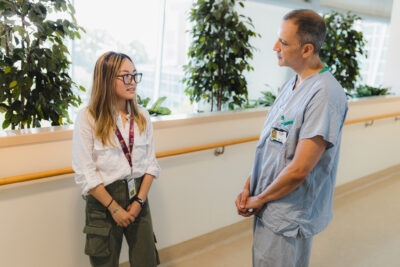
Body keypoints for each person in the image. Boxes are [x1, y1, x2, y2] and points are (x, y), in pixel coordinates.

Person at [235, 9, 348, 267]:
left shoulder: (326, 94)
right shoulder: (292, 84)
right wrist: (248, 187)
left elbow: (299, 169)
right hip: (268, 202)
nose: (275, 47)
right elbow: (272, 146)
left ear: (307, 49)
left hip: (287, 212)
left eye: (284, 43)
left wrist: (260, 198)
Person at [72, 51, 160, 267]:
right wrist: (113, 207)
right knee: (105, 262)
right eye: (125, 76)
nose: (132, 82)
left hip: (138, 197)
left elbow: (151, 164)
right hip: (103, 202)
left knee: (146, 261)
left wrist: (139, 201)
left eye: (134, 75)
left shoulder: (143, 116)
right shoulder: (88, 117)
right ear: (106, 79)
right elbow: (85, 173)